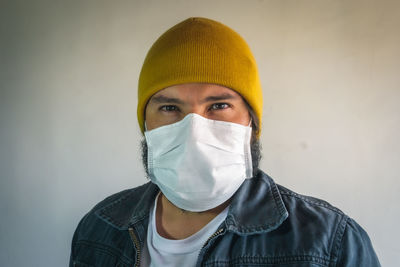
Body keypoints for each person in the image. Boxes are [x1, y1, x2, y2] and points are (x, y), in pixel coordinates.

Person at [70, 17, 380, 267]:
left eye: (218, 106)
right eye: (169, 107)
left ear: (251, 123)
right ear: (146, 123)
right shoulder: (98, 229)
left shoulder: (328, 243)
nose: (193, 130)